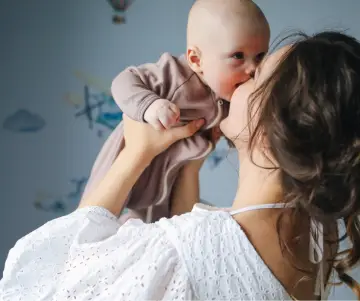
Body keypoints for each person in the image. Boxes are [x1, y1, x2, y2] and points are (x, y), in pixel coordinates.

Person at [1, 31, 360, 300]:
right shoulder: (318, 236)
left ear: (272, 126)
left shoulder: (187, 250)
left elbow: (53, 276)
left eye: (257, 75)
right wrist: (189, 167)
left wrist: (135, 153)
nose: (241, 78)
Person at [81, 0, 270, 223]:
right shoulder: (174, 74)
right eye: (238, 56)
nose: (252, 69)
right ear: (196, 60)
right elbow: (124, 81)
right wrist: (150, 105)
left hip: (168, 178)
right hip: (128, 161)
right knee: (94, 222)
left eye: (260, 56)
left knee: (158, 228)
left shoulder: (229, 93)